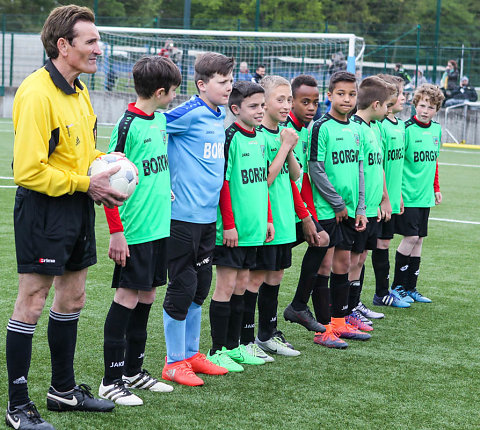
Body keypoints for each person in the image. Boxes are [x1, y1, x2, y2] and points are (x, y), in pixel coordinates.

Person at [7, 5, 125, 429]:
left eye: (98, 40)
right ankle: (18, 405)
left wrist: (109, 166)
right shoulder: (37, 93)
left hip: (77, 203)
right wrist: (84, 183)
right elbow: (30, 169)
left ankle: (62, 391)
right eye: (91, 41)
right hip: (44, 208)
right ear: (64, 45)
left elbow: (81, 155)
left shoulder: (80, 89)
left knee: (73, 298)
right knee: (33, 302)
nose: (99, 48)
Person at [98, 56, 182, 406]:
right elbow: (107, 177)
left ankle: (134, 371)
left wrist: (164, 189)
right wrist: (116, 233)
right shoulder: (128, 124)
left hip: (158, 227)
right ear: (161, 91)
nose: (175, 97)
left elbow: (150, 169)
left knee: (147, 296)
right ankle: (111, 379)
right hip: (133, 230)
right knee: (127, 298)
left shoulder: (160, 120)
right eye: (174, 91)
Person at [161, 52, 234, 387]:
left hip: (207, 219)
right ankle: (173, 362)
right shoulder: (188, 112)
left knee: (201, 286)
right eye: (223, 82)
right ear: (202, 84)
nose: (229, 87)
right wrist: (161, 184)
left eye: (231, 80)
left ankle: (191, 355)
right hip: (181, 218)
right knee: (182, 286)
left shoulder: (217, 115)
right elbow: (149, 127)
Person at [207, 81, 272, 371]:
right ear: (235, 109)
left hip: (255, 227)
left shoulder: (259, 137)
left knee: (243, 286)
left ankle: (235, 346)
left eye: (262, 105)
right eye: (254, 106)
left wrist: (268, 218)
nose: (261, 111)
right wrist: (229, 225)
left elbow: (262, 184)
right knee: (226, 286)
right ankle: (217, 349)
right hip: (232, 231)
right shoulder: (229, 137)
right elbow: (223, 183)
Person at [308, 71, 370, 349]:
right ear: (329, 95)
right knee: (324, 264)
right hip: (326, 210)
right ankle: (323, 329)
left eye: (352, 94)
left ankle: (340, 321)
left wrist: (359, 206)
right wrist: (337, 204)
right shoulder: (321, 127)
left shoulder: (356, 129)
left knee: (343, 263)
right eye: (341, 94)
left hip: (348, 211)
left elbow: (358, 170)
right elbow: (315, 169)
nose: (347, 99)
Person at [242, 75, 302, 358]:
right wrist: (284, 146)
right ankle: (246, 338)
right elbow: (264, 179)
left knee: (276, 275)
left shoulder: (286, 132)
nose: (287, 104)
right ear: (263, 103)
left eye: (289, 99)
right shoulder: (257, 136)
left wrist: (288, 145)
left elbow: (296, 174)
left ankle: (267, 334)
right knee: (254, 279)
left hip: (284, 219)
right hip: (263, 219)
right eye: (280, 99)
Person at [281, 75, 330, 333]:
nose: (311, 107)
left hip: (296, 211)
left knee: (322, 239)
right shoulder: (284, 130)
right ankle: (258, 333)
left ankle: (298, 306)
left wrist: (308, 214)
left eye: (315, 102)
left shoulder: (306, 131)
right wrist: (306, 217)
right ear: (291, 102)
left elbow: (304, 180)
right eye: (305, 101)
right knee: (264, 273)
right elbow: (288, 180)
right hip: (279, 212)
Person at [347, 76, 397, 328]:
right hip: (361, 209)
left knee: (361, 256)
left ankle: (353, 305)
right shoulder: (355, 129)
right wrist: (363, 205)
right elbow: (358, 171)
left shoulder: (373, 128)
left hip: (374, 206)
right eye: (387, 105)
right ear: (376, 104)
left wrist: (385, 198)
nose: (389, 110)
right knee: (352, 258)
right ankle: (345, 308)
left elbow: (378, 169)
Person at [390, 84, 444, 304]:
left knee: (419, 239)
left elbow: (435, 162)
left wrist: (436, 188)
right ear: (415, 104)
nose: (425, 110)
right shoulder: (406, 129)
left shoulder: (437, 130)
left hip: (425, 195)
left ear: (436, 109)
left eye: (430, 107)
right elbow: (398, 164)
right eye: (422, 105)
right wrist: (397, 194)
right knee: (410, 237)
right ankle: (397, 286)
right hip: (408, 194)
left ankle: (411, 288)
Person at [370, 74, 410, 309]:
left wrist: (398, 196)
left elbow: (397, 165)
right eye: (400, 93)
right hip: (379, 198)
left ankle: (386, 292)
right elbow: (380, 166)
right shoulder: (380, 126)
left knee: (385, 243)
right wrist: (384, 197)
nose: (403, 97)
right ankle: (381, 293)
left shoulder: (399, 125)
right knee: (380, 245)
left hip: (393, 197)